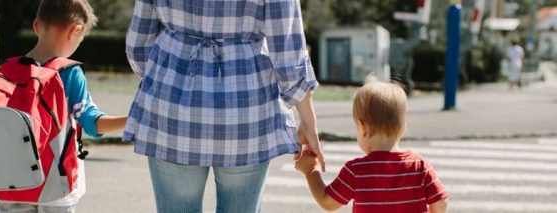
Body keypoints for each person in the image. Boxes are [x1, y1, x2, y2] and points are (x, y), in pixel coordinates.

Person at [124, 0, 323, 212]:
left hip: (171, 105)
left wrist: (165, 77)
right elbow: (287, 52)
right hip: (246, 111)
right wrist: (308, 121)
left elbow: (139, 44)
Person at [0, 0, 127, 212]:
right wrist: (133, 119)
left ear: (36, 26)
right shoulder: (68, 73)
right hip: (56, 186)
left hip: (11, 183)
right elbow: (93, 124)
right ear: (75, 31)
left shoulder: (8, 71)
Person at [295, 81, 448, 212]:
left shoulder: (356, 170)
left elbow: (328, 202)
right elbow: (441, 203)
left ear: (362, 127)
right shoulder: (420, 166)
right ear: (403, 126)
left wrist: (310, 171)